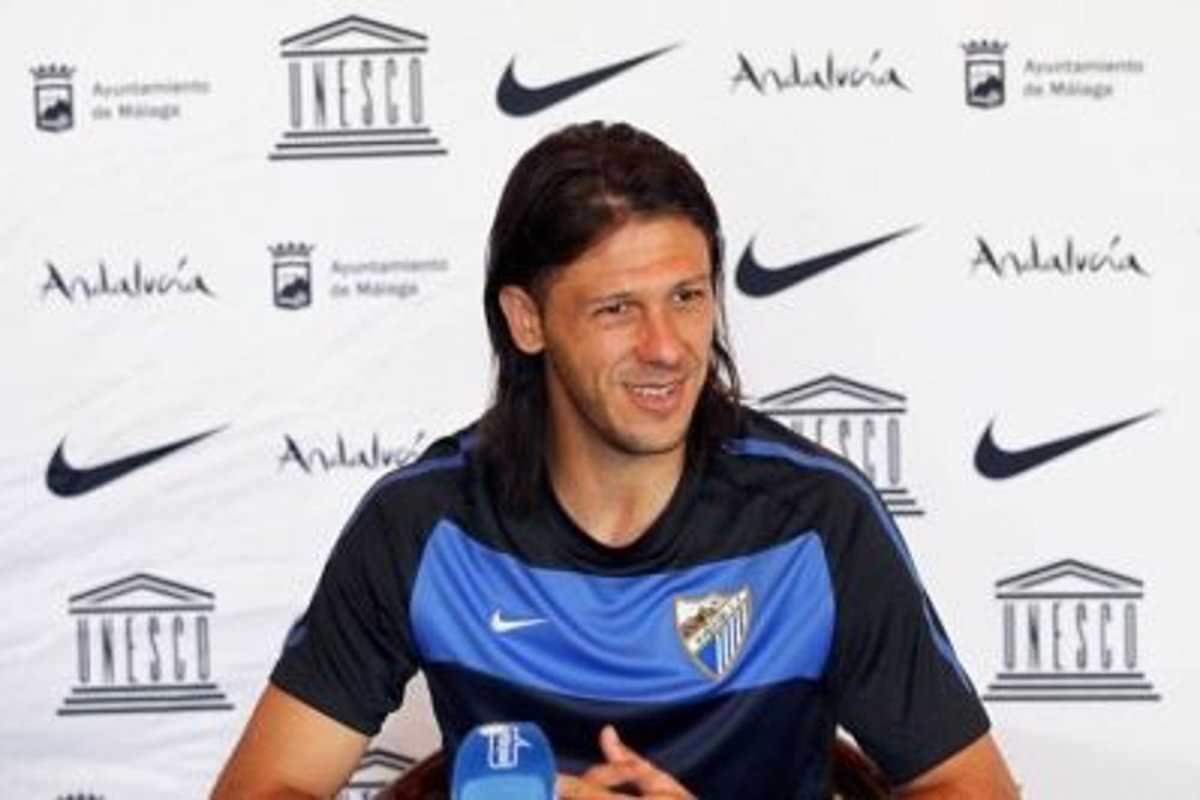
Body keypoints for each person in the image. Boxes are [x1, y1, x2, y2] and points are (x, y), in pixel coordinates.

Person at [214, 121, 1018, 799]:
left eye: (688, 296)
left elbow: (973, 788)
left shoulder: (816, 520)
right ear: (527, 320)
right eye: (616, 309)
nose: (667, 347)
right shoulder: (424, 524)